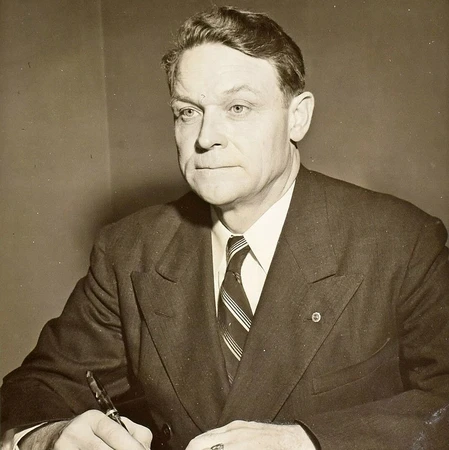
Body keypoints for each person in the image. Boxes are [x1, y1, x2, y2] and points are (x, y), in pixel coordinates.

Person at [2, 6, 449, 450]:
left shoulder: (400, 242)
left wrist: (308, 442)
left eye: (238, 107)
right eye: (187, 112)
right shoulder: (131, 249)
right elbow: (38, 386)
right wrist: (48, 436)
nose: (205, 137)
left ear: (298, 117)